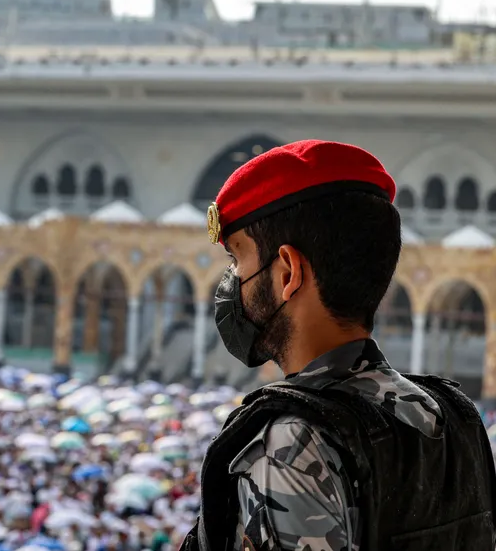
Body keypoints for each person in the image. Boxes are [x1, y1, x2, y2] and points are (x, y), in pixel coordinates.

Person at [180, 140, 496, 551]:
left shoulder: (291, 447)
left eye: (237, 261)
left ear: (288, 272)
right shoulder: (456, 417)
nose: (231, 282)